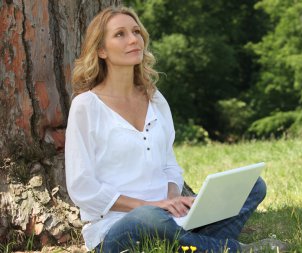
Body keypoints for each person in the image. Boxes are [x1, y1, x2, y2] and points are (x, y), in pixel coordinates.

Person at [65, 5, 272, 253]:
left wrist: (174, 198)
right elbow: (82, 188)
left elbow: (169, 165)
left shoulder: (154, 99)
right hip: (118, 228)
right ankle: (235, 249)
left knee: (253, 185)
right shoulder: (86, 106)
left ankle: (199, 246)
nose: (133, 40)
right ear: (100, 50)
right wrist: (152, 205)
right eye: (120, 34)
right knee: (150, 218)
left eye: (136, 32)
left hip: (172, 220)